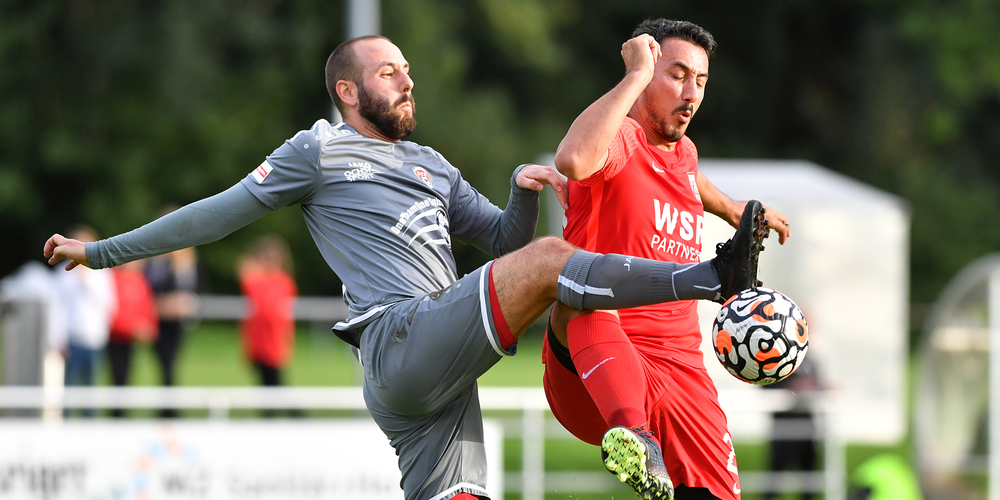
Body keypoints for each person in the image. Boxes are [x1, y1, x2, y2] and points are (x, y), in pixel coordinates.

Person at [44, 35, 765, 500]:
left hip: (434, 379)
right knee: (557, 264)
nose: (407, 79)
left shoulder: (433, 167)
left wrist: (517, 196)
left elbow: (507, 254)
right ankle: (710, 279)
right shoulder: (317, 150)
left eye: (408, 70)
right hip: (398, 337)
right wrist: (102, 253)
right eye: (389, 71)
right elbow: (215, 214)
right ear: (349, 92)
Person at [544, 19, 792, 500]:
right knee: (579, 293)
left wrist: (730, 207)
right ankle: (633, 436)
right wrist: (634, 75)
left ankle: (646, 445)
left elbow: (686, 172)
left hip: (681, 372)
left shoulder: (684, 153)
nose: (692, 94)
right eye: (677, 75)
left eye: (700, 81)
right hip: (596, 369)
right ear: (647, 69)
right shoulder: (618, 141)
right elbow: (573, 160)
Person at [51, 224, 117, 417]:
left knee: (91, 386)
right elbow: (58, 308)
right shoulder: (63, 273)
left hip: (94, 338)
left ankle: (90, 424)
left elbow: (108, 303)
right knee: (69, 386)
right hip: (72, 337)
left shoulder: (103, 273)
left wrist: (86, 280)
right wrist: (57, 339)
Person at [144, 211, 199, 418]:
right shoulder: (158, 263)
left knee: (170, 366)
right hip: (161, 321)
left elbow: (193, 291)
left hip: (176, 324)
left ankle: (170, 410)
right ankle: (168, 410)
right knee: (165, 366)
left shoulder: (186, 264)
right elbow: (152, 289)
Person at [237, 235, 298, 412]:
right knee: (267, 387)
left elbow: (268, 308)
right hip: (258, 342)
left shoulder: (283, 282)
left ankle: (297, 420)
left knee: (276, 387)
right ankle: (279, 420)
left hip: (274, 342)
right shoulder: (260, 281)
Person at [107, 258, 159, 418]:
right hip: (115, 338)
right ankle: (116, 417)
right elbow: (111, 311)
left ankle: (121, 415)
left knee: (127, 377)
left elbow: (148, 308)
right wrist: (132, 328)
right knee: (115, 378)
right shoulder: (113, 279)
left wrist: (150, 328)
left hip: (131, 340)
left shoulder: (140, 281)